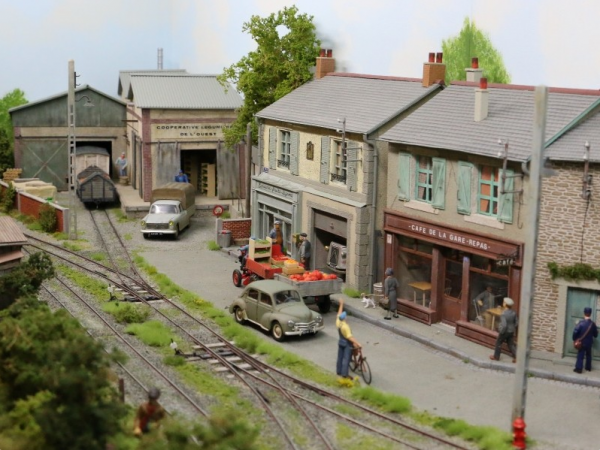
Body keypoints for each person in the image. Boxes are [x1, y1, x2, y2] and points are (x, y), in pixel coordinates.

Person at [336, 299, 361, 379]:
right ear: (345, 318)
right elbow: (349, 337)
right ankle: (345, 374)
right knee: (346, 359)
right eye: (346, 317)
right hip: (347, 344)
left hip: (341, 342)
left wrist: (341, 304)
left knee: (340, 357)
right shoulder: (346, 327)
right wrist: (357, 343)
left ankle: (338, 371)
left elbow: (339, 313)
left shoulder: (338, 322)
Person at [490, 297, 518, 363]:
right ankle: (516, 357)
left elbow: (504, 325)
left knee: (498, 342)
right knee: (510, 344)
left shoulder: (503, 314)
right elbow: (516, 323)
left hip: (504, 331)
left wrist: (501, 331)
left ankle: (496, 356)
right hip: (511, 331)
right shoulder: (514, 313)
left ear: (505, 304)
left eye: (504, 302)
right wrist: (512, 328)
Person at [572, 307, 598, 373]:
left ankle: (579, 368)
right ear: (590, 314)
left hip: (581, 343)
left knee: (580, 355)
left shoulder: (581, 323)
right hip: (589, 343)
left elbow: (575, 332)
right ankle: (588, 368)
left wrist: (574, 339)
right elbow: (595, 335)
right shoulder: (593, 324)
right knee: (588, 355)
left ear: (584, 313)